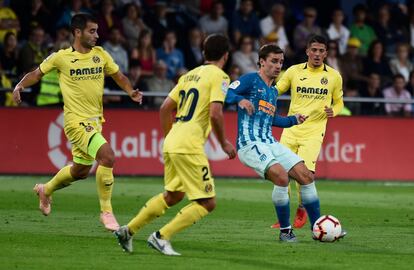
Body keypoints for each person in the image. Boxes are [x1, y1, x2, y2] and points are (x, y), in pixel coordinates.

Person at [12, 14, 143, 231]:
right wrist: (19, 86)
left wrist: (131, 91)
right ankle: (107, 212)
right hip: (75, 122)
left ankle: (46, 189)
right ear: (77, 32)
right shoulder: (61, 57)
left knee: (81, 171)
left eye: (97, 31)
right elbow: (36, 74)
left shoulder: (100, 55)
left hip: (94, 121)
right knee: (107, 156)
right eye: (92, 31)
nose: (97, 35)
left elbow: (118, 75)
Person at [114, 34, 236, 256]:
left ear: (204, 53)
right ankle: (161, 237)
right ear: (226, 56)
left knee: (173, 196)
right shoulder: (220, 76)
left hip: (172, 141)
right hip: (189, 144)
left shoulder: (188, 75)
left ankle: (127, 231)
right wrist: (224, 143)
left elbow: (164, 108)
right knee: (207, 202)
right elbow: (216, 114)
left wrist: (171, 136)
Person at [225, 43, 323, 242]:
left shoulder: (272, 92)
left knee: (306, 176)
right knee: (281, 176)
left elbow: (272, 120)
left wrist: (293, 120)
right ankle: (286, 232)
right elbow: (225, 92)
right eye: (274, 61)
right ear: (262, 62)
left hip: (269, 142)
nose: (278, 66)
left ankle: (318, 228)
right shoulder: (250, 80)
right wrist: (239, 100)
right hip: (249, 144)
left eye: (281, 62)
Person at [271, 35, 344, 229]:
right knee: (281, 173)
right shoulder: (294, 72)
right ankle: (283, 218)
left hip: (313, 132)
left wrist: (333, 111)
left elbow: (339, 102)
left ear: (326, 53)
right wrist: (263, 99)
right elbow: (276, 90)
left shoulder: (334, 76)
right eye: (314, 50)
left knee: (306, 175)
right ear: (307, 51)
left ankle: (302, 210)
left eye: (321, 51)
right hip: (291, 128)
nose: (317, 54)